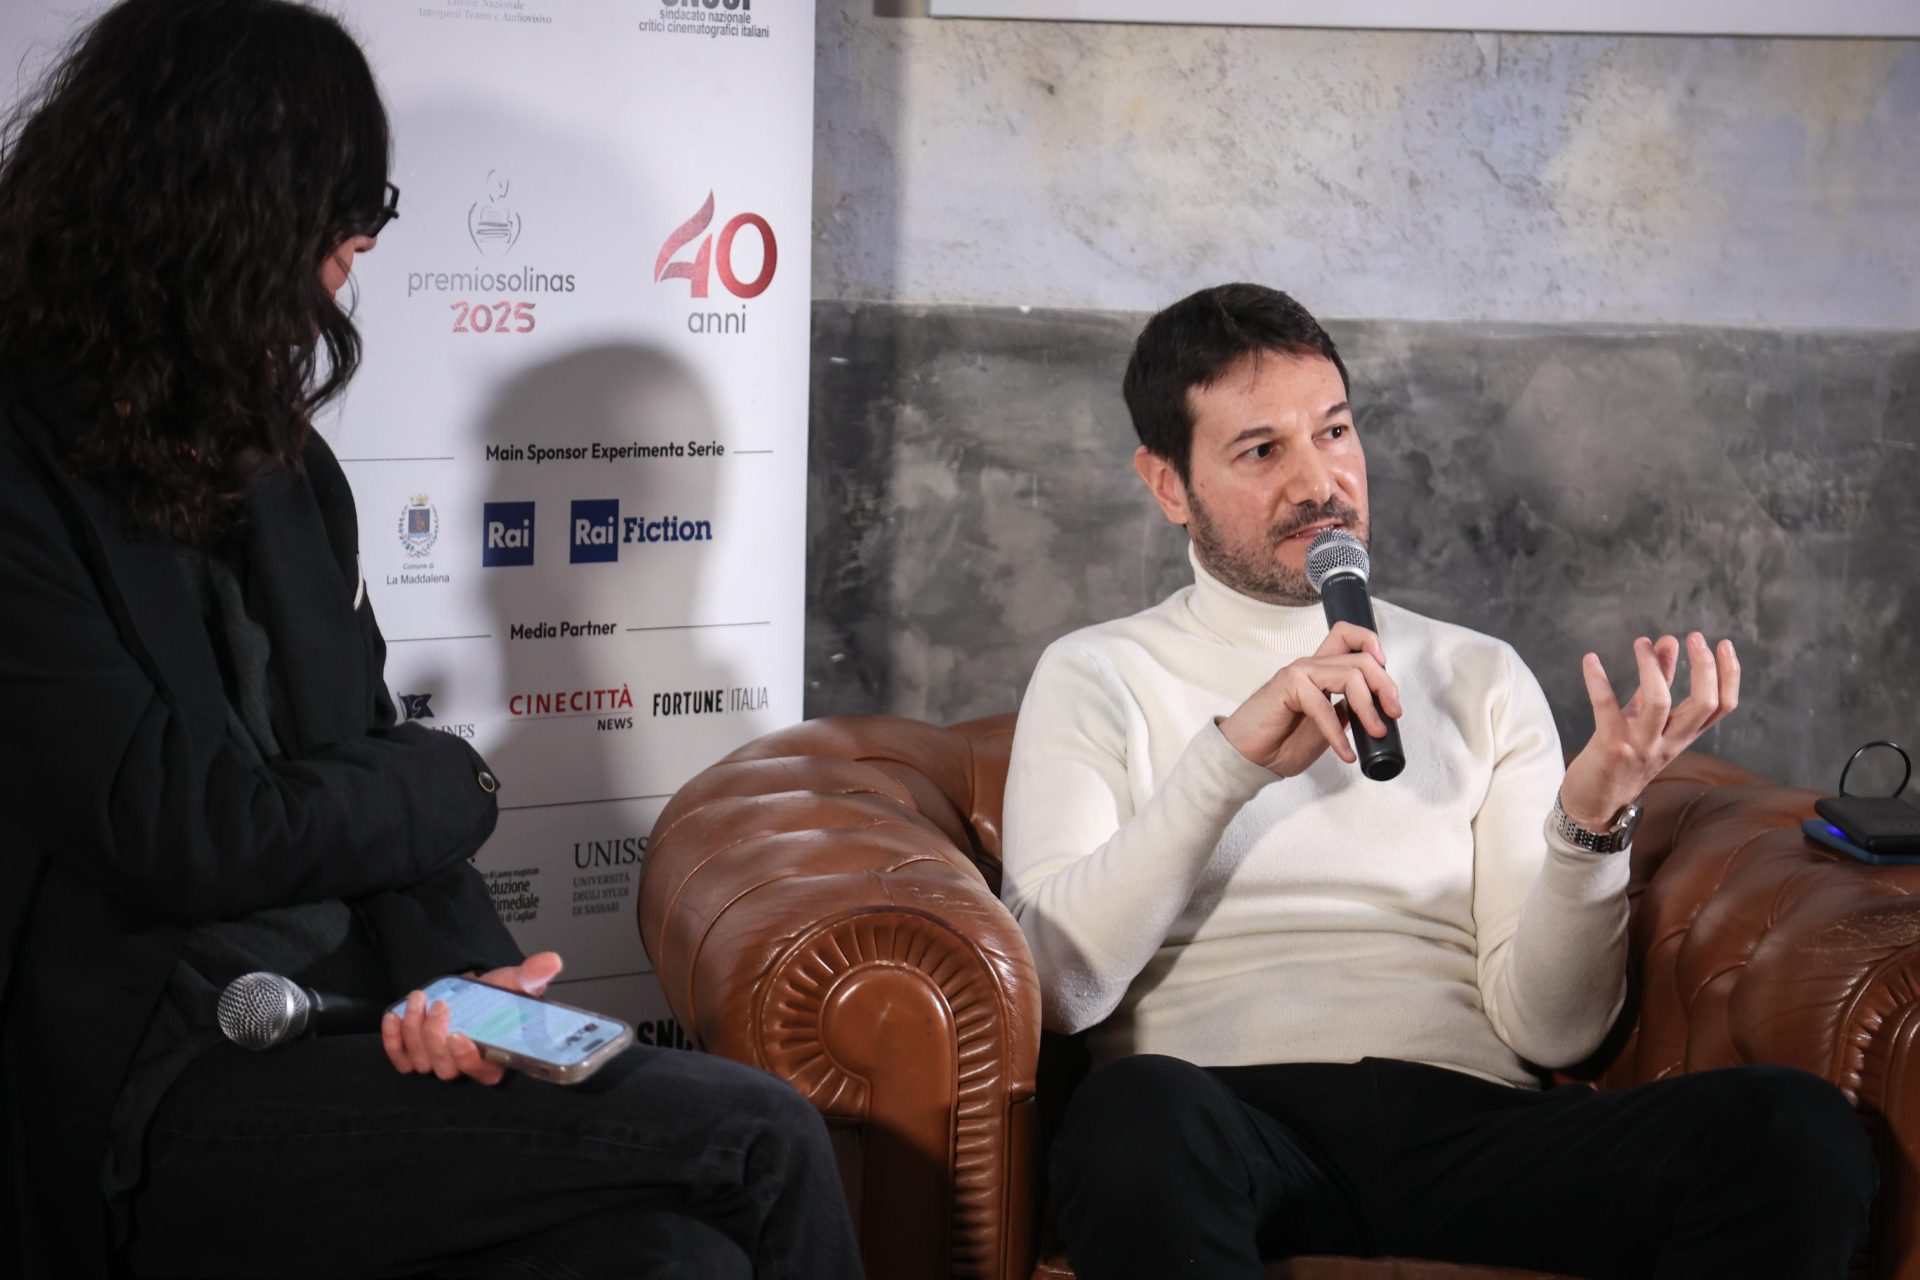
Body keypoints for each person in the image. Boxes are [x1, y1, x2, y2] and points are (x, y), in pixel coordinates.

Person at [0, 3, 863, 1277]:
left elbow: (356, 787)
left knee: (674, 1257)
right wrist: (444, 776)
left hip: (362, 1020)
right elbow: (184, 827)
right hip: (160, 1082)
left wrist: (469, 984)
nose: (342, 275)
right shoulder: (20, 471)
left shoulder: (285, 474)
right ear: (217, 210)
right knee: (761, 1136)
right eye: (334, 228)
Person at [999, 283, 1876, 1279]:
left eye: (1334, 431)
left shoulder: (1478, 673)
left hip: (1470, 1128)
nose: (1320, 483)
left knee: (1792, 1129)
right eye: (1262, 450)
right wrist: (1229, 761)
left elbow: (1556, 1031)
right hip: (1222, 1121)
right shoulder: (1099, 672)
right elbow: (1061, 990)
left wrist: (1590, 826)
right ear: (1168, 484)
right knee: (1129, 1120)